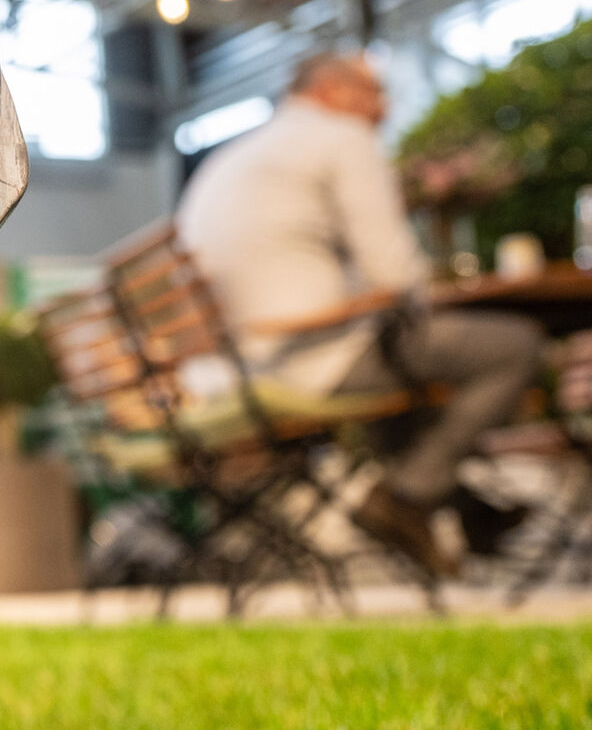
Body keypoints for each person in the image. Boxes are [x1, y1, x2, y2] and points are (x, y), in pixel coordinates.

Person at [177, 51, 544, 577]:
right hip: (312, 360)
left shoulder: (231, 158)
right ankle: (409, 497)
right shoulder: (342, 137)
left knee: (403, 372)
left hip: (240, 369)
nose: (384, 108)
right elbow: (395, 275)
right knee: (515, 344)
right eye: (376, 92)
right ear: (334, 91)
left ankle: (470, 512)